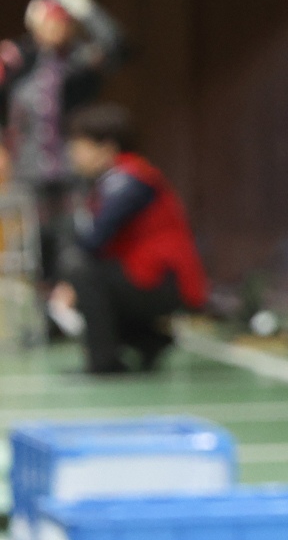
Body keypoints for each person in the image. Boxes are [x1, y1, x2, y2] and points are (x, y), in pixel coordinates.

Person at [51, 103, 207, 375]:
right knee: (86, 273)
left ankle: (104, 362)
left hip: (166, 282)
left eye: (80, 145)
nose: (73, 153)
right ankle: (149, 341)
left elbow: (96, 239)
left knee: (79, 269)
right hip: (147, 278)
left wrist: (64, 285)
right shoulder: (111, 180)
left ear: (106, 148)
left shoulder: (130, 179)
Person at [0, 0, 125, 292]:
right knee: (28, 250)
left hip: (71, 172)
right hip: (26, 174)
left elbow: (116, 46)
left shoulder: (78, 60)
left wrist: (85, 8)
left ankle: (70, 303)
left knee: (73, 245)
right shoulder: (18, 59)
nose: (57, 29)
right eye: (51, 21)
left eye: (64, 22)